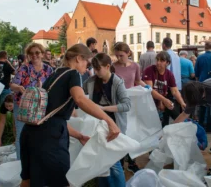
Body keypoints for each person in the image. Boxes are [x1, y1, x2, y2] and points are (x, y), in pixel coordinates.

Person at [19, 44, 120, 187]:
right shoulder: (73, 74)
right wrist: (109, 120)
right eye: (87, 62)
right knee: (63, 183)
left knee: (28, 181)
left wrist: (78, 135)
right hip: (49, 140)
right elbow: (80, 99)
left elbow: (53, 116)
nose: (87, 67)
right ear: (79, 58)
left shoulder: (55, 74)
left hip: (30, 133)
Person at [83, 53, 131, 185]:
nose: (96, 71)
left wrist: (103, 109)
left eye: (98, 68)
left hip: (114, 124)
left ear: (108, 66)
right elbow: (81, 97)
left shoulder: (117, 81)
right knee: (101, 159)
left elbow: (127, 105)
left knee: (115, 162)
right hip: (97, 124)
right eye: (94, 68)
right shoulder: (91, 82)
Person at [10, 43, 54, 160]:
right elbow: (12, 84)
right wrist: (18, 88)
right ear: (28, 55)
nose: (34, 55)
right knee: (21, 134)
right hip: (22, 105)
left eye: (37, 53)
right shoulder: (24, 68)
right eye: (31, 53)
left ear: (42, 54)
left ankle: (35, 160)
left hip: (39, 106)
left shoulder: (48, 69)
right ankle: (20, 163)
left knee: (38, 134)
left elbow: (51, 87)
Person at [112, 42, 144, 173]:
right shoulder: (113, 67)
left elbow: (137, 81)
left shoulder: (135, 66)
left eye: (121, 55)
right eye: (117, 56)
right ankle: (119, 161)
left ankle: (131, 161)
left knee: (131, 132)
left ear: (128, 53)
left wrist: (147, 88)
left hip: (131, 103)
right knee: (120, 132)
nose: (119, 58)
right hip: (118, 103)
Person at [143, 51, 186, 127]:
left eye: (162, 61)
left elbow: (175, 91)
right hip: (149, 103)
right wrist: (163, 100)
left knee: (173, 112)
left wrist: (182, 102)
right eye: (157, 60)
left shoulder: (169, 74)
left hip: (163, 100)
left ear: (167, 63)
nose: (158, 62)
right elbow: (149, 90)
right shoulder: (149, 70)